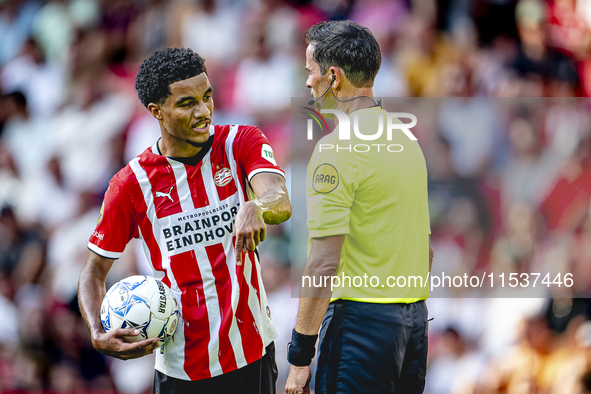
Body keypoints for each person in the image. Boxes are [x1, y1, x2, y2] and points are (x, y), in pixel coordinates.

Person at [78, 48, 291, 394]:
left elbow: (279, 198)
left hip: (250, 353)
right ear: (156, 111)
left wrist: (258, 207)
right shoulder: (131, 184)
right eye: (187, 103)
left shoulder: (241, 142)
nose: (204, 111)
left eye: (207, 97)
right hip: (181, 369)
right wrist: (97, 333)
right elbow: (92, 272)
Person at [285, 21, 433, 394]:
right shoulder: (406, 138)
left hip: (360, 327)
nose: (307, 83)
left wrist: (300, 357)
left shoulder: (335, 149)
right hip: (413, 324)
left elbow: (323, 262)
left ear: (333, 77)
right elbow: (425, 251)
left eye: (311, 71)